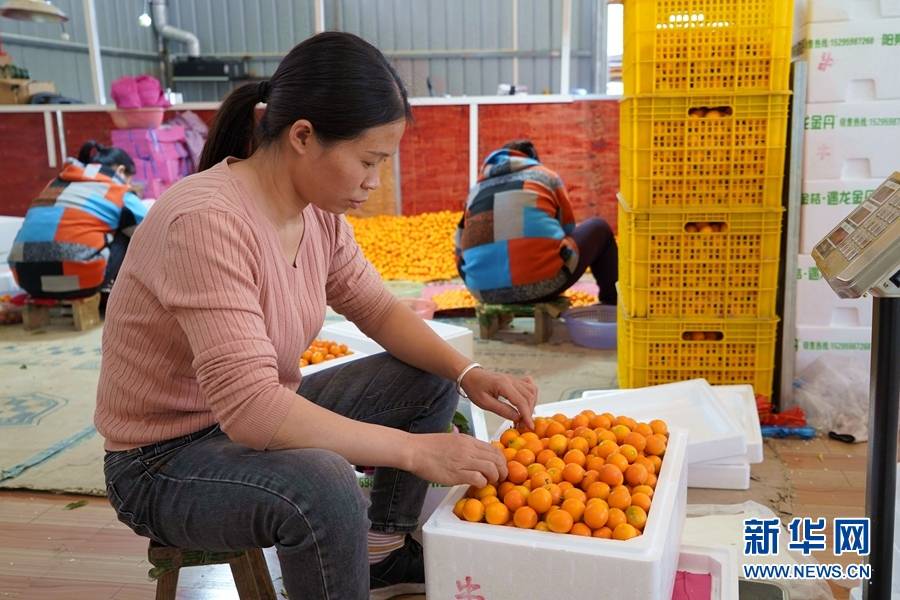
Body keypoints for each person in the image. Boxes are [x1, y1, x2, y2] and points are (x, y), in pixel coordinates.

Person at [94, 32, 537, 600]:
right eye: (367, 160)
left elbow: (376, 308)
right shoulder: (205, 222)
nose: (373, 182)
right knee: (325, 486)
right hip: (161, 462)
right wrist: (415, 451)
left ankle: (380, 551)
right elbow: (254, 410)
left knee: (426, 375)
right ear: (303, 136)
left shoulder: (317, 216)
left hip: (239, 423)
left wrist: (470, 375)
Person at [455, 139, 618, 305]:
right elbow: (567, 227)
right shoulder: (545, 175)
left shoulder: (475, 191)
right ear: (532, 159)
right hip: (544, 285)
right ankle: (612, 301)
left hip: (484, 292)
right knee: (599, 227)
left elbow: (459, 246)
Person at [7, 141, 146, 300]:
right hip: (81, 281)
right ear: (121, 171)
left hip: (26, 280)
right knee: (130, 230)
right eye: (130, 179)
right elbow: (153, 232)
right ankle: (125, 298)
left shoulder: (54, 185)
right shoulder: (119, 191)